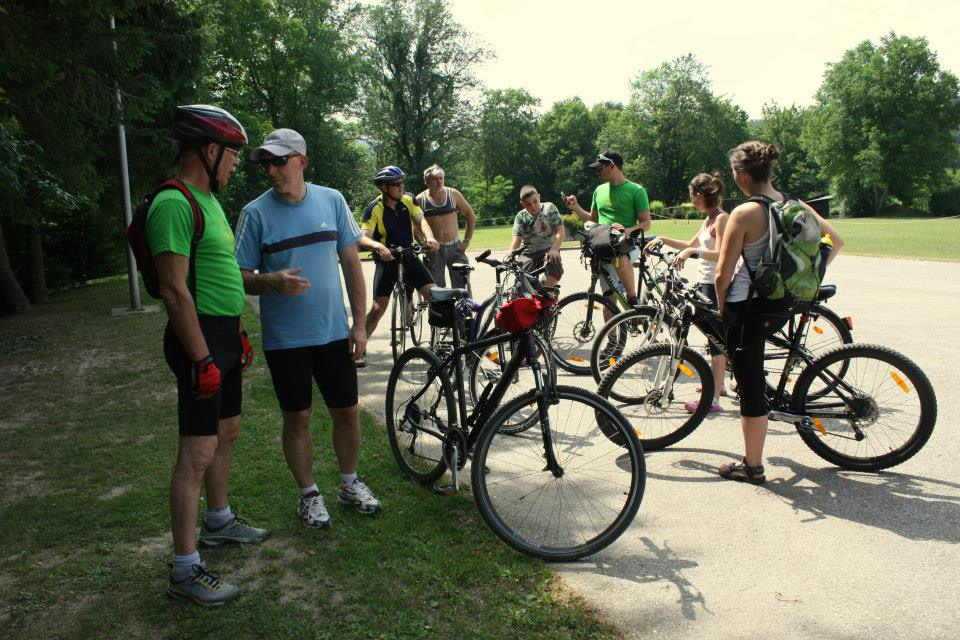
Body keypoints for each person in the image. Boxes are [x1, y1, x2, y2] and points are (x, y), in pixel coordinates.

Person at [234, 128, 381, 531]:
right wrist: (270, 281)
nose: (271, 170)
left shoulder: (332, 200)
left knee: (347, 411)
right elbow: (239, 276)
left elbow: (351, 264)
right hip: (286, 339)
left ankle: (349, 484)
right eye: (266, 163)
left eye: (279, 161)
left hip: (333, 332)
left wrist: (359, 325)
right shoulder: (254, 213)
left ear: (301, 161)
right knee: (297, 417)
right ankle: (309, 495)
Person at [150, 105, 267, 607]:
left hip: (222, 334)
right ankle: (184, 569)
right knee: (196, 451)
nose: (236, 163)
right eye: (233, 153)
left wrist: (237, 331)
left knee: (227, 431)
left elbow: (219, 271)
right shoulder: (173, 203)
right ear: (210, 150)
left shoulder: (209, 202)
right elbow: (174, 289)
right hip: (197, 338)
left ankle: (218, 521)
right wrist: (202, 359)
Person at [715, 141, 844, 484]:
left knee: (750, 384)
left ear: (742, 175)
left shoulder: (745, 213)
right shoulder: (795, 204)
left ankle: (752, 466)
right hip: (786, 301)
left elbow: (722, 274)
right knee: (754, 366)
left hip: (750, 304)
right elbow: (836, 241)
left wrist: (721, 307)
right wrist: (808, 276)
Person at [645, 172, 729, 413]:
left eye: (692, 195)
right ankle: (719, 384)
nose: (691, 200)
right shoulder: (708, 219)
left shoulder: (721, 219)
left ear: (701, 195)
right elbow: (690, 245)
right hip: (704, 283)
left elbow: (722, 254)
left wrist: (693, 253)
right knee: (712, 338)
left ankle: (714, 399)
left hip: (715, 284)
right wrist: (662, 238)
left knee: (717, 342)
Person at [359, 166, 439, 359]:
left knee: (436, 297)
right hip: (387, 260)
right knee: (378, 308)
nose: (401, 186)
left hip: (409, 257)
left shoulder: (408, 199)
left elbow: (421, 220)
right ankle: (359, 348)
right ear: (384, 187)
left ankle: (441, 341)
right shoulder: (374, 209)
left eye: (402, 182)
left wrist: (429, 238)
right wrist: (379, 247)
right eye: (396, 184)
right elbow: (363, 237)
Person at [564, 150, 652, 310]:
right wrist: (575, 207)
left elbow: (646, 223)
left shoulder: (636, 190)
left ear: (612, 166)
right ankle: (615, 326)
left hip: (626, 245)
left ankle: (633, 299)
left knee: (619, 251)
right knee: (609, 304)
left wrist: (628, 230)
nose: (597, 172)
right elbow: (592, 220)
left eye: (600, 168)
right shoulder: (599, 190)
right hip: (604, 245)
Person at [415, 164, 476, 291]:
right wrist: (423, 243)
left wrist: (466, 240)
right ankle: (440, 306)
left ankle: (464, 305)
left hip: (455, 247)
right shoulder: (420, 200)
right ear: (426, 181)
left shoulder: (453, 194)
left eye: (441, 178)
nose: (439, 182)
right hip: (434, 250)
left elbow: (470, 214)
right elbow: (414, 226)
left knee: (463, 287)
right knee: (436, 290)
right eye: (434, 179)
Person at [508, 185, 565, 287]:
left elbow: (560, 230)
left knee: (554, 263)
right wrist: (510, 255)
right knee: (521, 280)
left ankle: (548, 291)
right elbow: (516, 240)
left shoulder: (549, 208)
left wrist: (554, 249)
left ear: (539, 196)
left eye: (535, 201)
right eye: (528, 204)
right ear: (522, 203)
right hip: (528, 252)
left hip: (548, 248)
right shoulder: (521, 217)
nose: (533, 206)